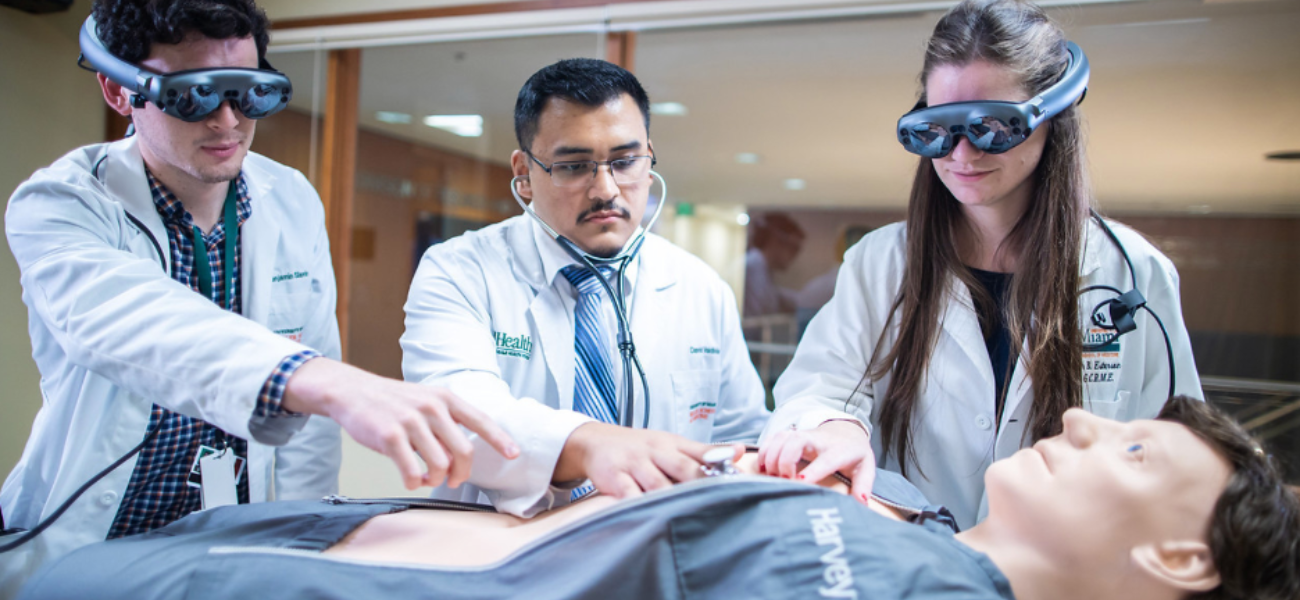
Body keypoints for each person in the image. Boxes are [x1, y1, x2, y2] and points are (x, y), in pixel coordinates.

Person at [0, 0, 516, 590]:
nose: (227, 121)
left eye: (250, 93)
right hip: (97, 538)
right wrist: (330, 383)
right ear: (120, 93)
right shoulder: (63, 203)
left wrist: (298, 547)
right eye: (192, 95)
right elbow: (135, 319)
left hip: (235, 541)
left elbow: (310, 434)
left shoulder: (290, 196)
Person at [15, 398, 1300, 600]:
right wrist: (800, 452)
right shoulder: (909, 529)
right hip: (307, 534)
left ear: (1181, 565)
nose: (1079, 418)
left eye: (1130, 451)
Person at [759, 0, 1202, 529]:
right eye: (936, 130)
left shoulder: (1134, 272)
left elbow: (1176, 446)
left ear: (1051, 115)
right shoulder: (880, 263)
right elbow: (819, 388)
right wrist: (834, 427)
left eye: (993, 126)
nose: (962, 154)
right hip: (916, 558)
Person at [401, 58, 768, 516]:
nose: (605, 189)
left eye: (625, 161)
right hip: (505, 554)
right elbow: (460, 416)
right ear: (524, 173)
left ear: (649, 156)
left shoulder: (700, 287)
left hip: (658, 552)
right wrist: (589, 446)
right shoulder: (461, 270)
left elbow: (740, 436)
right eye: (574, 166)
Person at [742, 211, 805, 317]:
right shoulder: (752, 267)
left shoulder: (761, 268)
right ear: (776, 241)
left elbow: (780, 296)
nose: (795, 256)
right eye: (794, 248)